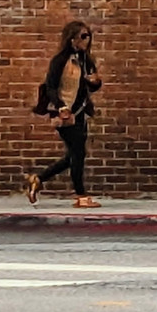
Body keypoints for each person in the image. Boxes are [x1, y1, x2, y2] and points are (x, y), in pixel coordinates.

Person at [26, 20, 102, 209]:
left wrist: (95, 82)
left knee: (74, 155)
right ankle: (81, 196)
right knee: (78, 153)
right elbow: (50, 87)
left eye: (88, 36)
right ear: (72, 38)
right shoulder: (60, 60)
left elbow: (91, 87)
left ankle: (39, 178)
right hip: (64, 114)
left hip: (80, 112)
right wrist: (60, 107)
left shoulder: (86, 60)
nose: (87, 40)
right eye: (83, 36)